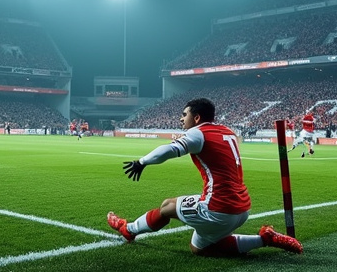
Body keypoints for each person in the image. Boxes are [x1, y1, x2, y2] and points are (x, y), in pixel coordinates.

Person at [106, 97, 302, 257]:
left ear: (197, 117)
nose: (181, 119)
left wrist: (141, 162)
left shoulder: (198, 133)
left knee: (166, 207)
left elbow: (168, 150)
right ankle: (264, 239)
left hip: (218, 209)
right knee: (199, 248)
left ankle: (128, 229)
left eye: (185, 115)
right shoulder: (227, 131)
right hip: (242, 209)